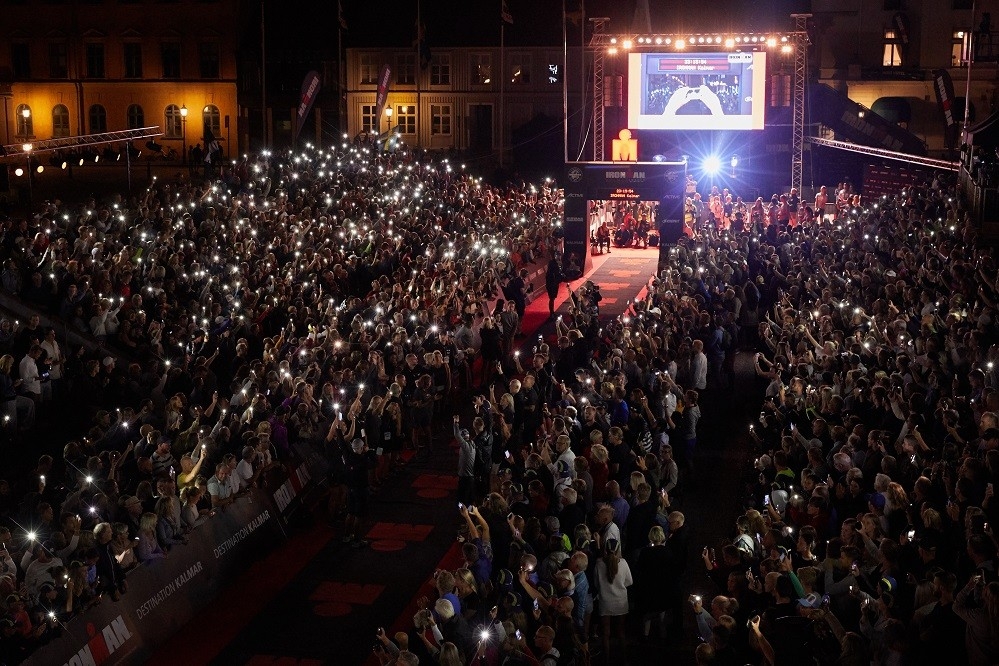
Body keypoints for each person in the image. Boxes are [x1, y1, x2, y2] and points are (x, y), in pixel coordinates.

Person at [594, 538, 632, 663]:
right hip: (620, 602)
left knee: (606, 633)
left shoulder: (599, 564)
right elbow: (629, 581)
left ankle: (606, 660)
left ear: (605, 549)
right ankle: (624, 659)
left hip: (605, 602)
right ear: (617, 550)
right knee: (621, 632)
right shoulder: (623, 563)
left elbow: (596, 584)